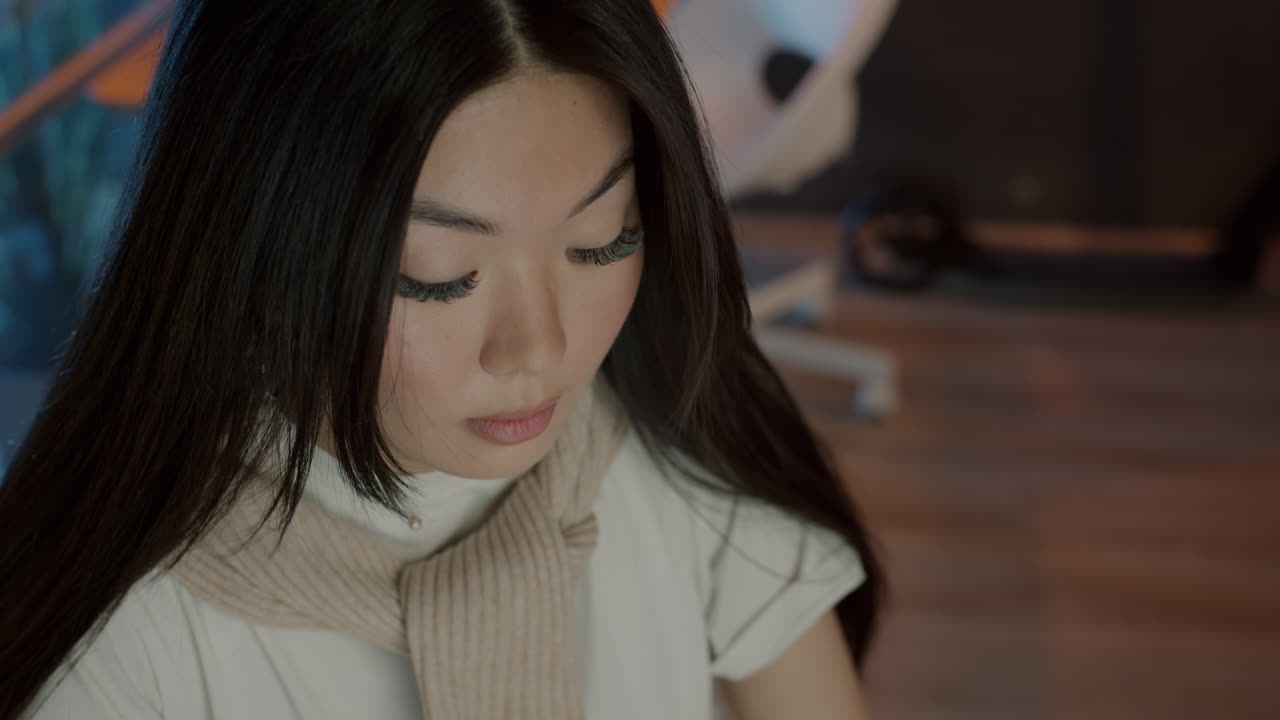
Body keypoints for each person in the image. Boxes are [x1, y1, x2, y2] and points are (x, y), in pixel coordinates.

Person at [0, 1, 883, 718]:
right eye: (440, 278)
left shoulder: (678, 449)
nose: (540, 347)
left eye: (600, 242)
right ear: (252, 249)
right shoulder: (119, 650)